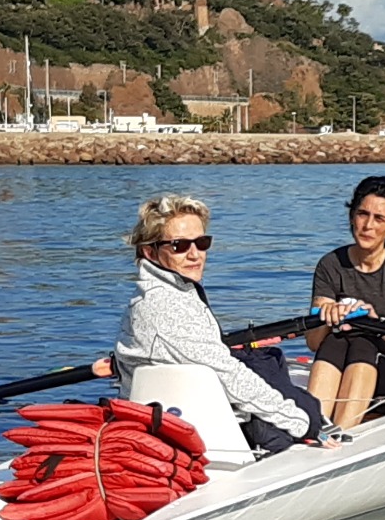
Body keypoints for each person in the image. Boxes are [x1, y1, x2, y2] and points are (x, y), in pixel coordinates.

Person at [116, 193, 330, 455]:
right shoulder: (165, 308)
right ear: (150, 252)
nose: (195, 255)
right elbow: (230, 376)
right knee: (302, 413)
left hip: (183, 421)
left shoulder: (168, 293)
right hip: (199, 438)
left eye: (202, 242)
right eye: (179, 246)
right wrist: (300, 423)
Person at [307, 176, 385, 429]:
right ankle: (315, 428)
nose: (367, 225)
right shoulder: (331, 264)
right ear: (352, 217)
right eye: (362, 214)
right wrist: (327, 315)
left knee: (364, 337)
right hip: (352, 359)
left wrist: (375, 323)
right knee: (334, 338)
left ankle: (341, 431)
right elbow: (313, 342)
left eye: (379, 219)